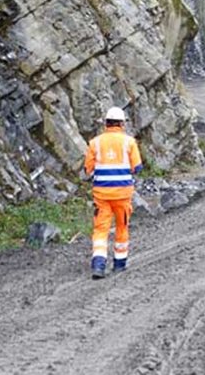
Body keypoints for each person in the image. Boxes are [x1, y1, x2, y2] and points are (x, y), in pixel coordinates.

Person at [83, 106, 143, 279]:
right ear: (122, 123)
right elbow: (137, 167)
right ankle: (119, 264)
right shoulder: (129, 142)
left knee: (100, 230)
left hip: (101, 194)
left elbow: (88, 168)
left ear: (106, 123)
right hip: (123, 195)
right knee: (122, 227)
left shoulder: (95, 142)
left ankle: (98, 265)